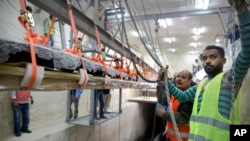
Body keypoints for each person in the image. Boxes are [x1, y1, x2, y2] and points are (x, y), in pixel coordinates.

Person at [158, 1, 250, 140]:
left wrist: (242, 11)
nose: (207, 61)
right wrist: (166, 81)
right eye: (204, 58)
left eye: (213, 57)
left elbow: (247, 53)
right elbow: (182, 96)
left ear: (223, 61)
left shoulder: (229, 79)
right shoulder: (202, 84)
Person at [155, 70, 195, 141]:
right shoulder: (174, 94)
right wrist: (159, 87)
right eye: (178, 76)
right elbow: (162, 101)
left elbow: (183, 118)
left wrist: (164, 114)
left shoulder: (190, 97)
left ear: (189, 81)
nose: (179, 79)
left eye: (183, 77)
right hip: (171, 137)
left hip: (183, 138)